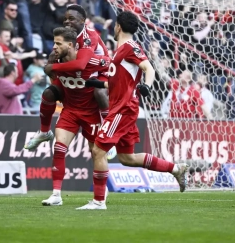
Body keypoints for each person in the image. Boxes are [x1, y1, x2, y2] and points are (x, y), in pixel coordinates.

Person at [77, 11, 189, 210]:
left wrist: (147, 85)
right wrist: (96, 83)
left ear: (118, 26)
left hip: (122, 109)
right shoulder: (120, 51)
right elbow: (120, 83)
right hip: (121, 107)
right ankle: (176, 169)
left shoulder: (130, 47)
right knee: (127, 158)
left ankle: (99, 201)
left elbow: (149, 68)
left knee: (98, 151)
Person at [40, 27, 111, 206]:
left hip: (92, 113)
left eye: (58, 43)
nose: (54, 47)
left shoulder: (91, 60)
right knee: (59, 148)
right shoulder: (55, 60)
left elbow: (113, 67)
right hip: (70, 111)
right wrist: (50, 67)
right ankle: (56, 195)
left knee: (97, 154)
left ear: (70, 45)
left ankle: (101, 193)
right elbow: (54, 82)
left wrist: (108, 86)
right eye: (54, 43)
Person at [24, 4, 110, 150]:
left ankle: (107, 132)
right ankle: (44, 132)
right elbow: (54, 60)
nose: (67, 22)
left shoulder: (90, 36)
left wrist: (52, 67)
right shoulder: (64, 34)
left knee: (99, 92)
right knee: (49, 92)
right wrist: (52, 69)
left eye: (72, 19)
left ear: (83, 20)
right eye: (65, 19)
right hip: (74, 71)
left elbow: (81, 64)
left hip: (98, 69)